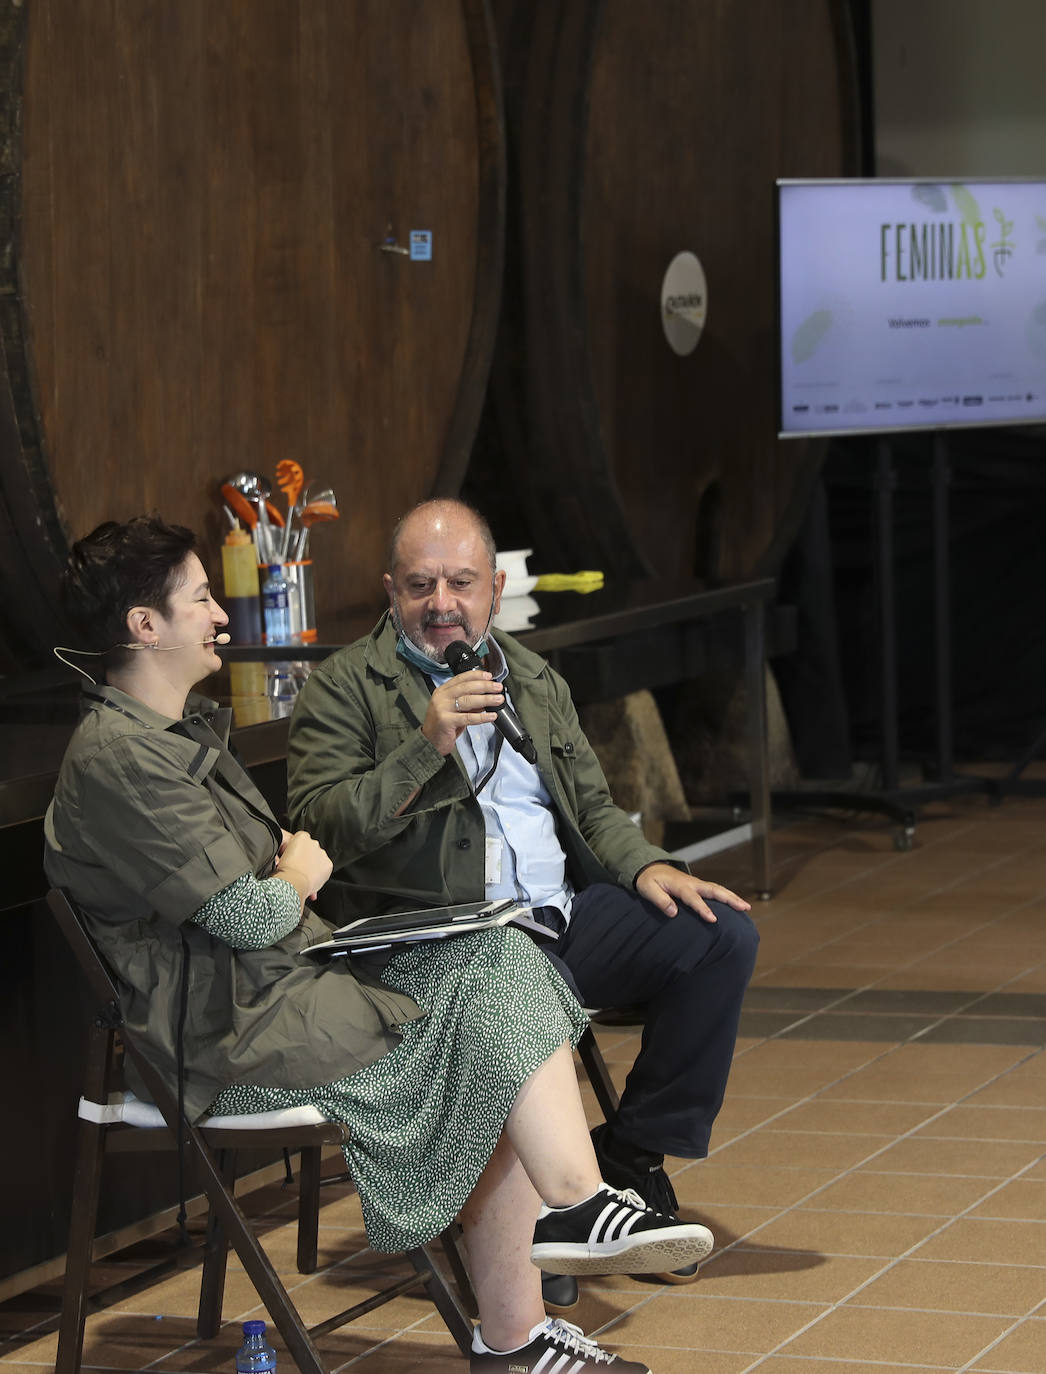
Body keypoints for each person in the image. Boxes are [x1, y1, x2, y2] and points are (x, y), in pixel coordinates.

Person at [43, 516, 715, 1374]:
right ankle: (521, 1323)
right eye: (203, 597)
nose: (220, 615)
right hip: (223, 1039)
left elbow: (261, 901)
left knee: (501, 958)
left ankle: (573, 1216)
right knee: (487, 1033)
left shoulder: (177, 735)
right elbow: (250, 914)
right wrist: (298, 872)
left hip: (279, 986)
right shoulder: (121, 760)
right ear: (146, 627)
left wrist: (289, 879)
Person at [286, 498, 760, 1302]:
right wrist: (424, 745)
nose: (442, 604)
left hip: (556, 916)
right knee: (514, 971)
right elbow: (322, 828)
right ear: (390, 591)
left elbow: (596, 810)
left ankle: (631, 1157)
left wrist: (646, 866)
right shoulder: (344, 688)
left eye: (461, 583)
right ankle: (547, 1212)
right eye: (420, 585)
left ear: (494, 588)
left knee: (718, 934)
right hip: (441, 944)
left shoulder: (532, 676)